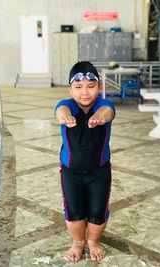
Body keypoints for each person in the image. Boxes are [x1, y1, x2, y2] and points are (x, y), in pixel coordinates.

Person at [54, 61, 115, 262]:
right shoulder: (68, 105)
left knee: (98, 210)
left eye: (91, 86)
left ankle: (93, 241)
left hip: (99, 172)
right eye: (78, 87)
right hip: (71, 172)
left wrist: (99, 116)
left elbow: (108, 111)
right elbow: (60, 110)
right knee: (74, 210)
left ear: (99, 87)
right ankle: (78, 242)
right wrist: (64, 116)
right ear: (71, 89)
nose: (85, 92)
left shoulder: (103, 105)